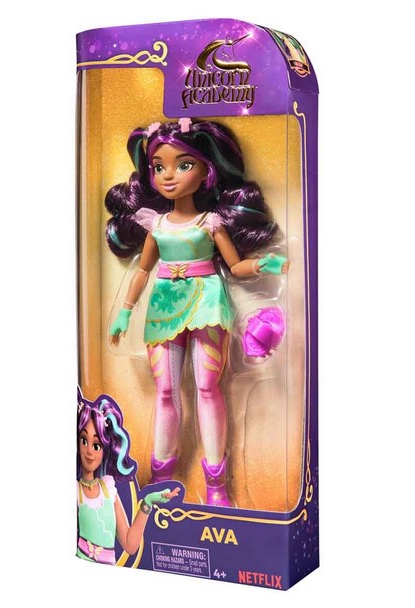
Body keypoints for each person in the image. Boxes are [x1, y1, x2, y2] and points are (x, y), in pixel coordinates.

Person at [105, 118, 288, 506]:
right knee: (166, 391)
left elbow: (235, 266)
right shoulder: (156, 224)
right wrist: (124, 312)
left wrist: (264, 264)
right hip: (164, 307)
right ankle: (161, 478)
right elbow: (142, 271)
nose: (169, 176)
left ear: (207, 171)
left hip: (207, 303)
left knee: (207, 388)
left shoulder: (211, 223)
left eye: (183, 165)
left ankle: (216, 484)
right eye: (159, 167)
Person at [77, 391, 179, 564]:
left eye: (96, 445)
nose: (89, 451)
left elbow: (130, 545)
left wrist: (147, 502)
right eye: (83, 441)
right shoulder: (75, 491)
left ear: (105, 449)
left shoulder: (108, 491)